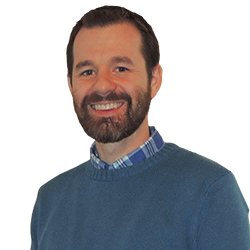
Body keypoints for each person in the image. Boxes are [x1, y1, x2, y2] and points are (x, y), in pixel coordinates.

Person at [31, 6, 250, 249]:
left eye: (121, 68)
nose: (102, 85)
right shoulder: (50, 201)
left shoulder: (210, 192)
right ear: (71, 85)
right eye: (87, 71)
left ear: (154, 81)